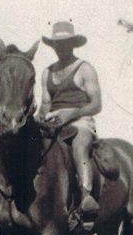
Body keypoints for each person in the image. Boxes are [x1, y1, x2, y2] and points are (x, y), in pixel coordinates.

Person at [38, 21, 102, 217]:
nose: (61, 47)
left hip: (79, 121)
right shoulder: (47, 72)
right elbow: (46, 103)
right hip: (53, 122)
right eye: (57, 43)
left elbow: (96, 104)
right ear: (53, 46)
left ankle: (86, 196)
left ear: (73, 44)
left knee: (80, 145)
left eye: (65, 43)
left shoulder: (84, 69)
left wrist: (71, 114)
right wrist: (39, 117)